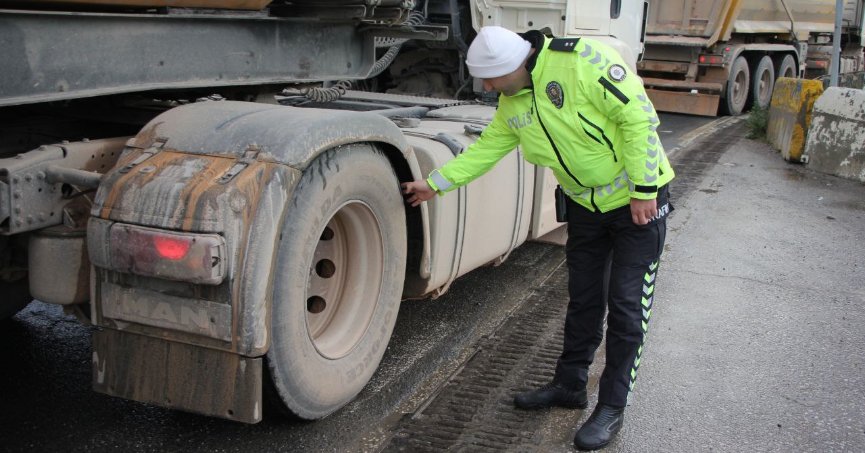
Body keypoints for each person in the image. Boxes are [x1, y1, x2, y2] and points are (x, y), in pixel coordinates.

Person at [401, 25, 675, 450]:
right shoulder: (512, 102)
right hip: (586, 207)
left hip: (637, 204)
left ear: (515, 64)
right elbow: (487, 147)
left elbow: (637, 116)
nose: (488, 88)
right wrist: (436, 183)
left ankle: (612, 406)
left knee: (626, 308)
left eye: (491, 78)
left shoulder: (580, 61)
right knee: (584, 299)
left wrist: (643, 189)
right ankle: (569, 385)